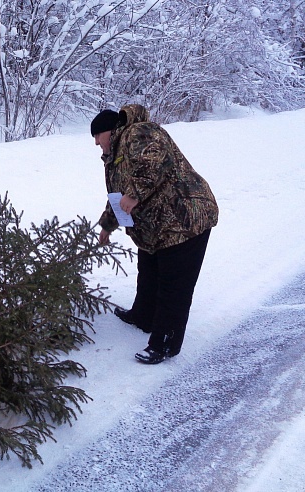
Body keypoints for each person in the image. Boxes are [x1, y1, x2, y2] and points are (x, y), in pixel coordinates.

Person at [91, 104, 218, 364]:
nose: (95, 143)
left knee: (174, 286)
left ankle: (165, 343)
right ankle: (143, 316)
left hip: (186, 218)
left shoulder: (140, 132)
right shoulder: (116, 156)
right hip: (157, 225)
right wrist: (107, 225)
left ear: (108, 131)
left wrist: (134, 193)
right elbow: (119, 196)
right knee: (148, 271)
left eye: (97, 136)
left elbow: (153, 162)